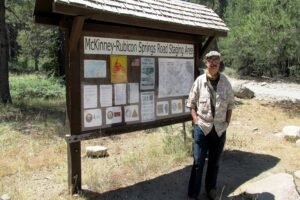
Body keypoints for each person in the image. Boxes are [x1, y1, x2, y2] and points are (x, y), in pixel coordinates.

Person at [186, 51, 235, 200]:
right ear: (206, 63)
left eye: (217, 61)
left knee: (215, 163)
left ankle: (211, 190)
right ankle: (193, 193)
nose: (214, 63)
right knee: (198, 163)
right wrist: (195, 120)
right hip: (202, 127)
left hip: (219, 129)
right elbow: (191, 103)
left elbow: (231, 104)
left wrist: (227, 122)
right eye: (211, 60)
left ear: (219, 63)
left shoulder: (225, 82)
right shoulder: (200, 81)